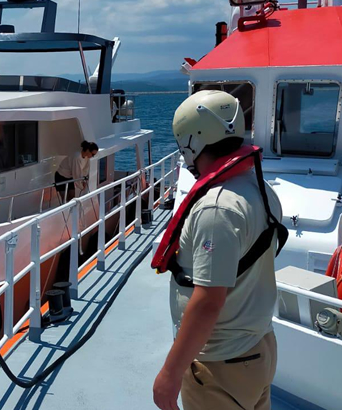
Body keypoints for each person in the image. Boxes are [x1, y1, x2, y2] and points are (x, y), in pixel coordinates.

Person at [152, 90, 286, 410]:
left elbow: (208, 302)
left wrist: (170, 374)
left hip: (222, 364)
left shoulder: (217, 209)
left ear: (191, 143)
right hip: (257, 348)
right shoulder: (259, 189)